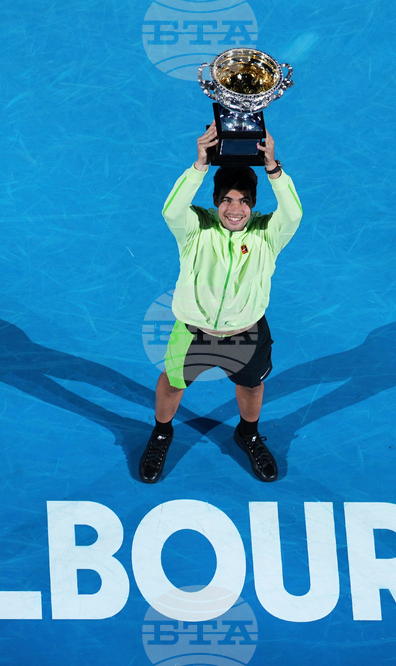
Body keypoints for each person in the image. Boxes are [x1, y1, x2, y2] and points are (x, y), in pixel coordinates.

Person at [139, 125, 303, 483]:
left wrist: (273, 168)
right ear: (216, 201)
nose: (235, 209)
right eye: (227, 199)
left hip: (247, 334)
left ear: (253, 204)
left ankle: (248, 433)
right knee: (173, 383)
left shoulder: (267, 234)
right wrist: (200, 164)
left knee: (252, 386)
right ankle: (162, 434)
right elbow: (171, 211)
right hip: (193, 334)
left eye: (243, 200)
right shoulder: (195, 229)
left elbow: (292, 214)